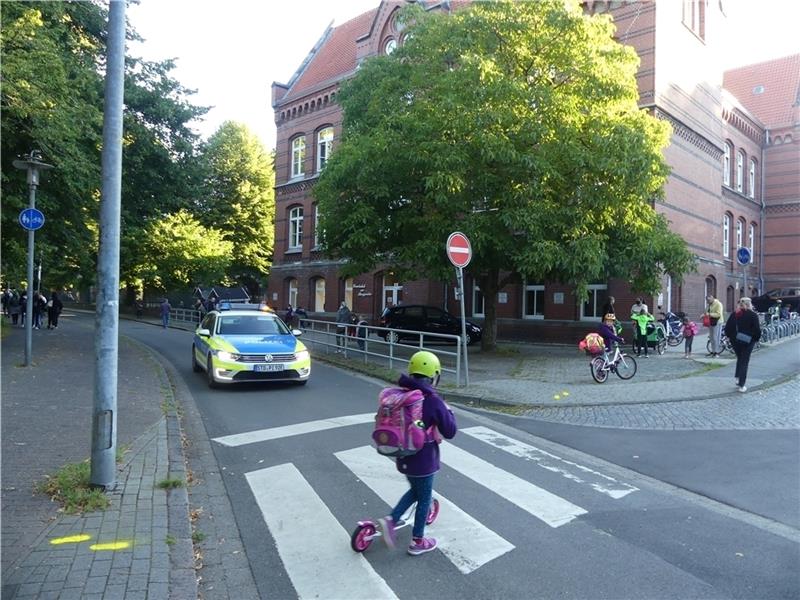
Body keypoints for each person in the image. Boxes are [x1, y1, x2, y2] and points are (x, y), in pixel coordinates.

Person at [378, 351, 457, 556]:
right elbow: (450, 431)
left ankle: (391, 521)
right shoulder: (432, 400)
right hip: (424, 459)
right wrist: (448, 412)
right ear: (434, 376)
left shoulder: (403, 395)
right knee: (424, 498)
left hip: (403, 455)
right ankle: (418, 541)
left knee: (415, 491)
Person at [724, 297, 761, 393]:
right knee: (744, 360)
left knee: (740, 357)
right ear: (750, 304)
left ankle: (737, 377)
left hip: (735, 340)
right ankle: (741, 384)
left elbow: (727, 327)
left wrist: (730, 337)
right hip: (748, 341)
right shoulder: (753, 315)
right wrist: (755, 339)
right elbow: (757, 330)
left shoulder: (734, 314)